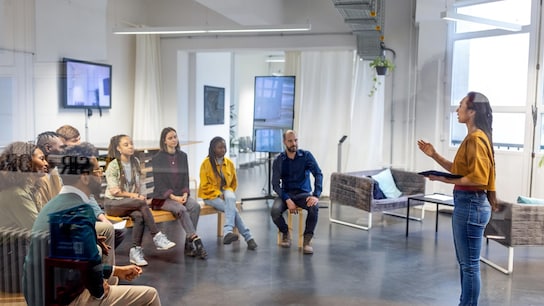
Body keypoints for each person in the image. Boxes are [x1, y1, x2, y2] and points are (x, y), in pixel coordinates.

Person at [22, 143, 161, 306]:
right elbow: (92, 275)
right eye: (97, 170)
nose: (101, 174)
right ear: (85, 177)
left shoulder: (54, 205)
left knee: (113, 277)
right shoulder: (80, 210)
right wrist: (100, 290)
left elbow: (76, 263)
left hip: (41, 296)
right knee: (150, 295)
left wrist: (115, 270)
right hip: (62, 300)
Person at [417, 91, 497, 306]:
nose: (457, 110)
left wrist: (444, 181)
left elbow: (479, 179)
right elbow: (459, 170)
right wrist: (434, 156)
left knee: (469, 265)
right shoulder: (473, 138)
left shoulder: (476, 139)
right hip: (468, 204)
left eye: (461, 105)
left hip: (471, 205)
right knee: (466, 264)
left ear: (472, 111)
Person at [104, 134, 175, 266]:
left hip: (129, 204)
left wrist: (140, 197)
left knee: (139, 216)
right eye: (126, 145)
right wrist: (135, 197)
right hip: (113, 203)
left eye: (131, 143)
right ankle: (157, 236)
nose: (131, 146)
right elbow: (115, 191)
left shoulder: (135, 162)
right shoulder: (113, 165)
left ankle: (135, 251)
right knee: (140, 204)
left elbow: (138, 185)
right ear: (118, 149)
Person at [151, 127, 207, 259]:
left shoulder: (183, 156)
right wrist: (173, 197)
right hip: (164, 197)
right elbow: (159, 183)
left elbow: (185, 177)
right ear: (164, 141)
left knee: (195, 206)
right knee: (181, 209)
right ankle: (195, 238)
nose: (174, 140)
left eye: (175, 137)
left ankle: (188, 243)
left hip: (180, 194)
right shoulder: (157, 158)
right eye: (170, 138)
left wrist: (185, 194)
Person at [198, 136, 258, 250]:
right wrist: (218, 194)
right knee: (233, 209)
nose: (223, 150)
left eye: (224, 147)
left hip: (226, 191)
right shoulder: (206, 163)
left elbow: (234, 183)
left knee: (230, 197)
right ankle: (249, 238)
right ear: (213, 149)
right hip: (210, 195)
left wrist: (226, 193)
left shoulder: (229, 163)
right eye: (220, 147)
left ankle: (228, 231)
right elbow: (205, 186)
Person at [271, 130, 323, 255]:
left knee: (314, 207)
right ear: (284, 142)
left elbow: (318, 173)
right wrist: (287, 199)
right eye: (290, 141)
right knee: (275, 211)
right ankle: (285, 232)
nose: (294, 143)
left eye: (295, 140)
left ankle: (307, 240)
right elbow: (275, 184)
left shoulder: (306, 156)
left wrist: (316, 195)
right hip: (286, 193)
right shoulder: (279, 160)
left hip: (302, 193)